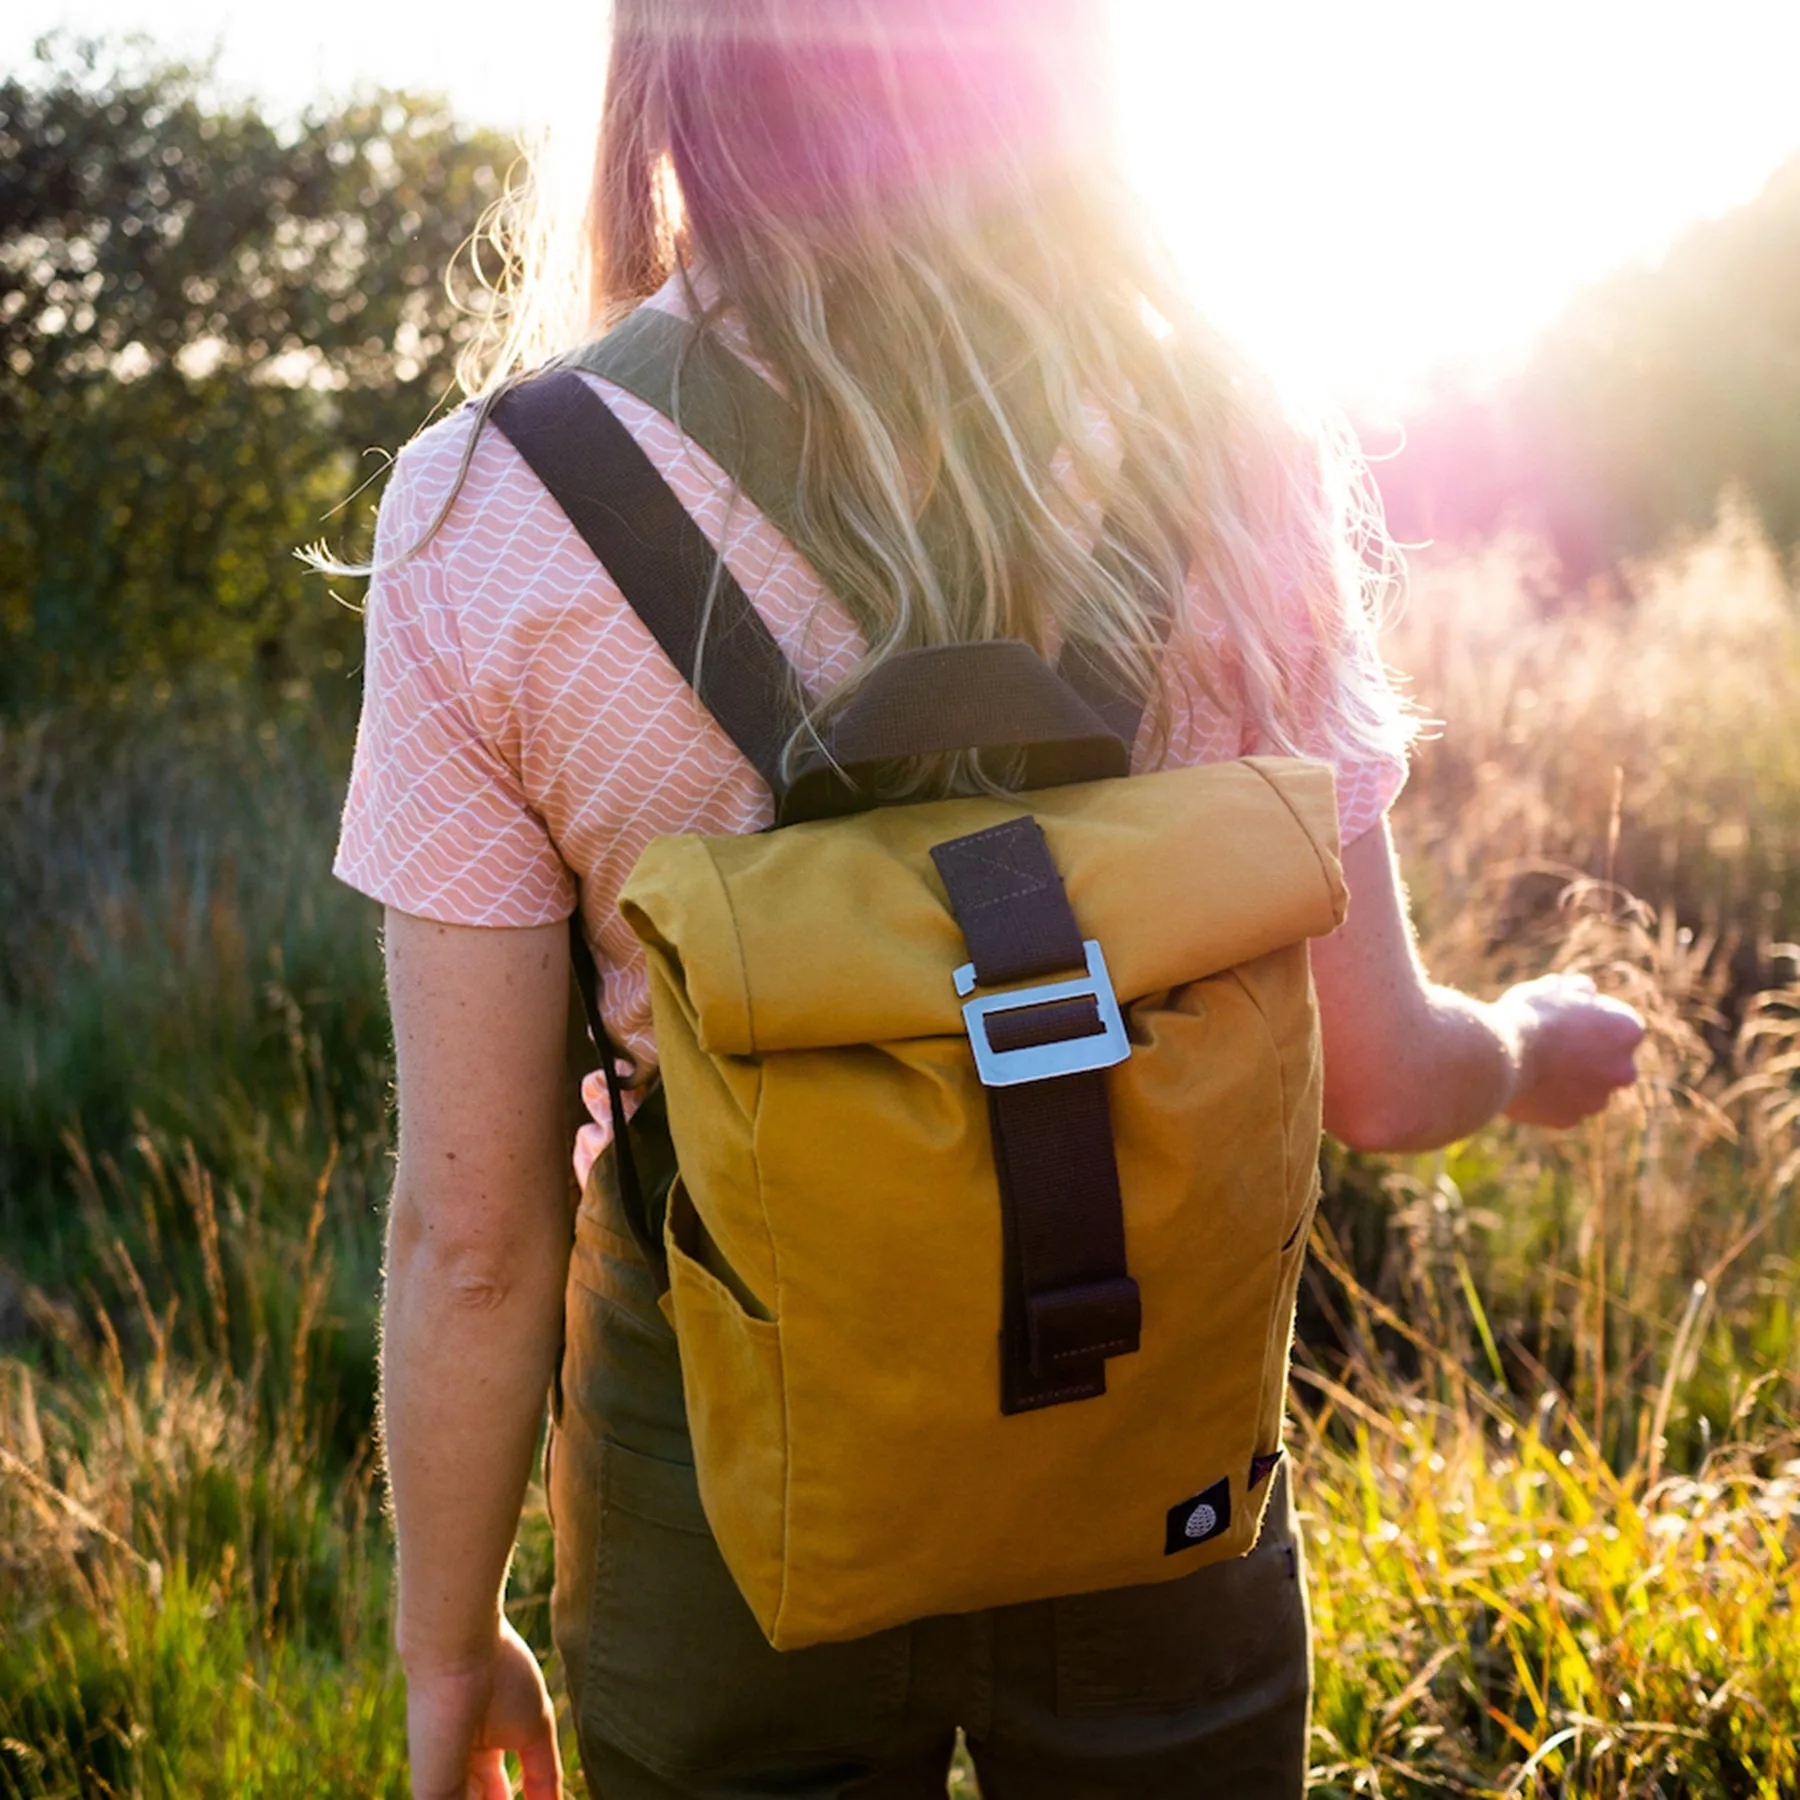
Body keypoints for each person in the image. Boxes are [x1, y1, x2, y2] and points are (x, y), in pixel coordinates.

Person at [332, 2, 1647, 1794]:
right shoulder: (1234, 440)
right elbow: (1388, 1079)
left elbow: (477, 1246)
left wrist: (446, 1645)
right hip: (1151, 1469)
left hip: (720, 1499)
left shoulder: (487, 514)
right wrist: (1534, 1044)